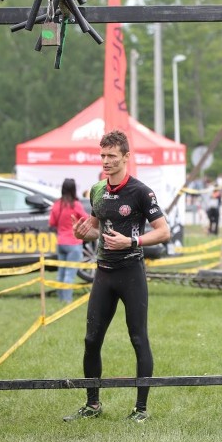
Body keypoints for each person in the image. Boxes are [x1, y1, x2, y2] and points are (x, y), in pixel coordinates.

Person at [66, 130, 171, 423]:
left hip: (131, 272)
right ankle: (92, 404)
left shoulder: (141, 192)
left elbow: (164, 232)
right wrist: (84, 232)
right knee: (91, 340)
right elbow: (97, 227)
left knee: (138, 339)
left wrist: (131, 242)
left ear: (126, 157)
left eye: (112, 156)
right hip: (104, 272)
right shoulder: (97, 190)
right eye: (102, 156)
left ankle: (140, 409)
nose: (106, 161)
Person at [49, 178, 88, 304]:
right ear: (74, 189)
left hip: (60, 243)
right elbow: (86, 220)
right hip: (73, 243)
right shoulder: (76, 205)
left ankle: (60, 299)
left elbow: (52, 223)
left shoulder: (57, 204)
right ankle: (67, 301)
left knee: (61, 273)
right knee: (69, 274)